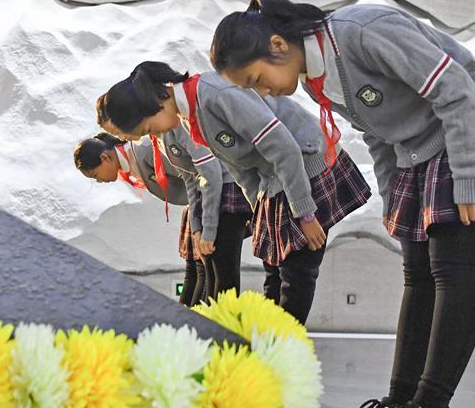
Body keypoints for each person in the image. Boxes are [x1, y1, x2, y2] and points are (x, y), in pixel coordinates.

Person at [209, 0, 475, 408]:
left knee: (454, 269)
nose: (264, 92)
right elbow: (379, 134)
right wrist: (394, 200)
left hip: (472, 129)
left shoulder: (361, 32)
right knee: (417, 272)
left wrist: (472, 176)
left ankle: (433, 407)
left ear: (278, 45)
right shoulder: (319, 77)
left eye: (258, 79)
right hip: (421, 149)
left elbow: (456, 90)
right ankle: (401, 399)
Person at [96, 62, 370, 324]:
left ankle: (282, 353)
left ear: (155, 102)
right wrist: (259, 205)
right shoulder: (191, 114)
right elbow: (238, 167)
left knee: (296, 274)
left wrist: (306, 215)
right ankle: (265, 352)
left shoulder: (215, 95)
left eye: (148, 128)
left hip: (305, 168)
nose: (154, 133)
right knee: (274, 270)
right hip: (274, 179)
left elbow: (285, 148)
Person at [73, 132, 205, 306]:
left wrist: (199, 224)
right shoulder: (133, 161)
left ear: (105, 158)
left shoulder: (145, 151)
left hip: (205, 201)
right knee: (194, 269)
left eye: (95, 175)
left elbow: (196, 175)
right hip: (195, 205)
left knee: (204, 270)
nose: (99, 181)